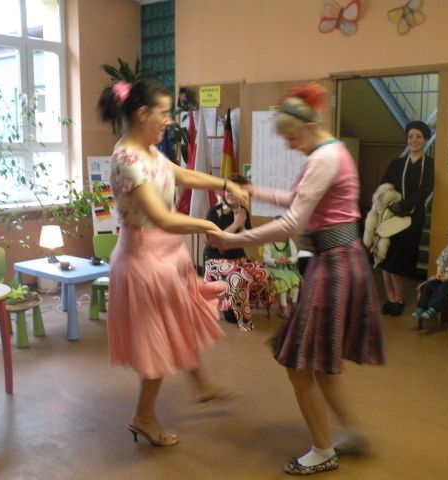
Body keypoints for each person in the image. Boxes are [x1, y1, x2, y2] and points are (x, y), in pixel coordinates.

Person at [207, 84, 385, 475]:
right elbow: (298, 200)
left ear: (307, 127)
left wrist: (232, 240)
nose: (289, 145)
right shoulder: (329, 152)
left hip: (334, 263)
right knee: (317, 362)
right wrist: (255, 190)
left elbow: (292, 223)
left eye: (291, 137)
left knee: (299, 363)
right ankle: (352, 434)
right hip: (336, 260)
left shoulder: (324, 158)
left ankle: (323, 450)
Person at [98, 79, 249, 446]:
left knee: (178, 321)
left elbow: (182, 174)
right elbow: (162, 218)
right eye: (164, 113)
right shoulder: (127, 160)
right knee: (158, 339)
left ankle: (202, 384)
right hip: (144, 260)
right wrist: (210, 226)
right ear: (142, 113)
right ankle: (143, 416)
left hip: (166, 255)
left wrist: (225, 185)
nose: (169, 120)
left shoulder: (150, 152)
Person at [203, 174, 274, 332]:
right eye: (229, 189)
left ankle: (243, 303)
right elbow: (214, 243)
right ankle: (240, 316)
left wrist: (242, 225)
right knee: (239, 277)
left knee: (264, 273)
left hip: (238, 259)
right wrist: (235, 224)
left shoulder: (243, 212)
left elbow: (248, 240)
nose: (231, 194)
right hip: (216, 260)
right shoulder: (214, 212)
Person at [379, 121, 434, 316]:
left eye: (418, 136)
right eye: (410, 136)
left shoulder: (429, 165)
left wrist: (403, 205)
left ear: (425, 140)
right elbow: (385, 185)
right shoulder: (397, 163)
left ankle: (400, 299)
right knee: (385, 258)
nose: (414, 140)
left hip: (412, 217)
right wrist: (390, 204)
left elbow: (424, 190)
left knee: (400, 260)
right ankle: (390, 299)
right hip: (391, 215)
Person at [412, 223, 448, 325]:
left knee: (443, 288)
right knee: (428, 285)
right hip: (444, 277)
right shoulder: (447, 249)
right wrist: (438, 272)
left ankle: (433, 309)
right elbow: (440, 261)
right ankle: (421, 307)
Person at [262, 228, 303, 319]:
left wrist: (289, 259)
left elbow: (295, 257)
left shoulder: (289, 242)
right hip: (273, 269)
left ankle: (294, 303)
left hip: (287, 268)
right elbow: (266, 259)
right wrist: (276, 260)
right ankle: (283, 306)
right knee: (283, 281)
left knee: (296, 279)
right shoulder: (269, 242)